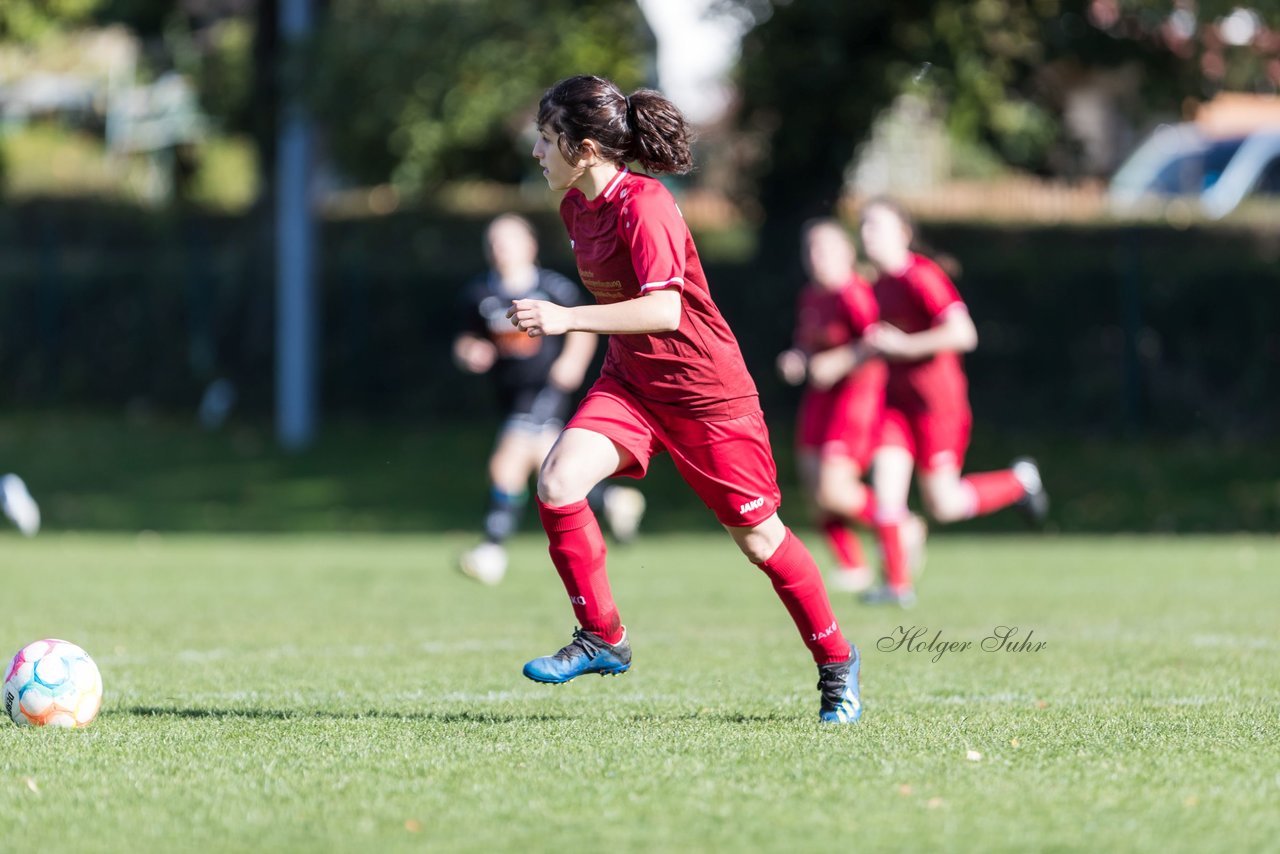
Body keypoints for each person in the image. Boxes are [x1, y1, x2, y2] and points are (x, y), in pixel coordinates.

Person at [507, 75, 862, 723]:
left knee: (758, 540)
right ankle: (603, 638)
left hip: (706, 395)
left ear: (584, 149)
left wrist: (565, 319)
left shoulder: (647, 205)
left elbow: (665, 310)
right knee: (558, 483)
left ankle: (837, 661)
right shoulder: (575, 207)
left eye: (545, 139)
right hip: (633, 384)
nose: (536, 152)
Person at [820, 197, 1047, 606]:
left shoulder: (922, 277)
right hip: (897, 406)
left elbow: (964, 334)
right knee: (888, 492)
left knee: (944, 504)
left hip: (937, 406)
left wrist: (906, 347)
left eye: (877, 227)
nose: (867, 235)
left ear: (903, 234)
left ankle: (1020, 482)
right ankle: (896, 585)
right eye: (865, 227)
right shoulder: (877, 285)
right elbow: (875, 343)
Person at [454, 213, 646, 586]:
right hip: (511, 393)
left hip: (548, 389)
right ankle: (613, 501)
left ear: (530, 245)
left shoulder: (552, 287)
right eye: (493, 242)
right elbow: (465, 339)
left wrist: (572, 362)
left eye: (508, 241)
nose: (500, 249)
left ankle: (492, 549)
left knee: (506, 462)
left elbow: (582, 324)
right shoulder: (480, 293)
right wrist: (469, 352)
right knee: (551, 467)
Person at [776, 219, 923, 594]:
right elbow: (807, 341)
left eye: (824, 249)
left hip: (855, 399)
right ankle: (852, 564)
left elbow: (876, 341)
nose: (816, 258)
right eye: (810, 250)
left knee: (835, 490)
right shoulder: (811, 296)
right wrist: (798, 357)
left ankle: (901, 526)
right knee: (813, 488)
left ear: (847, 253)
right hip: (820, 398)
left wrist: (840, 361)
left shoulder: (856, 293)